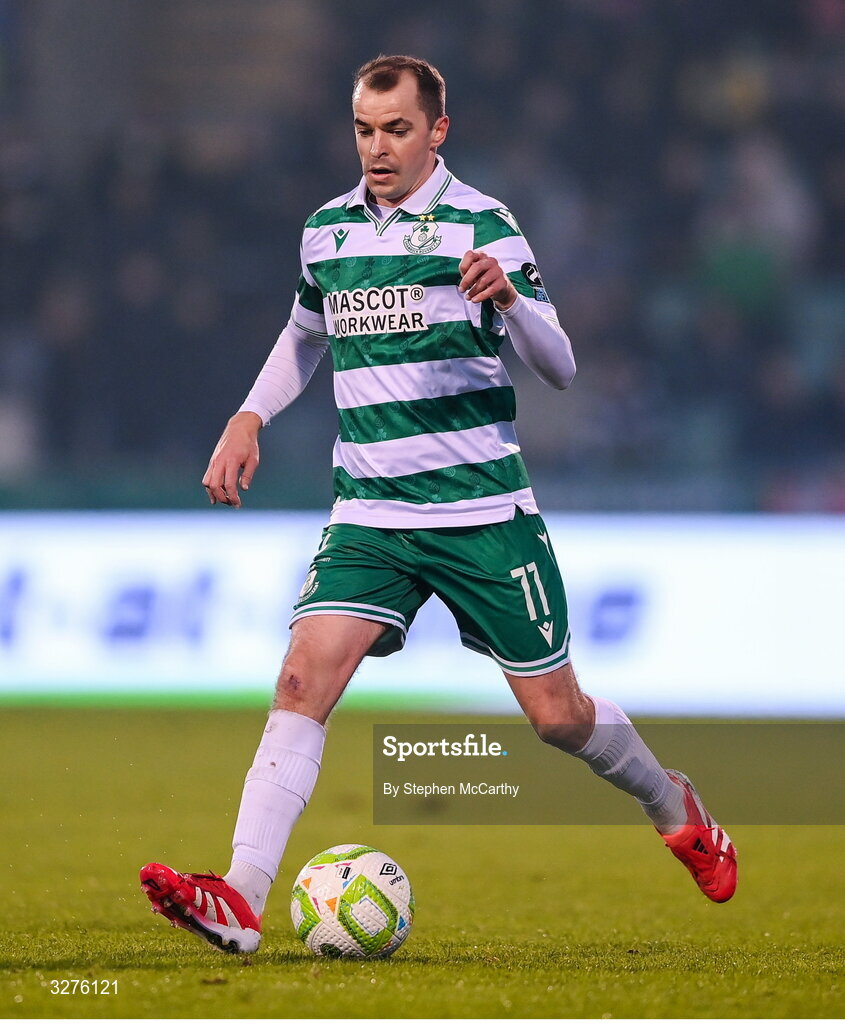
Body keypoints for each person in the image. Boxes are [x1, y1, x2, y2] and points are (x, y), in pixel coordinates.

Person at [139, 55, 736, 954]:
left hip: (481, 512)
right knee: (302, 680)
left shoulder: (482, 226)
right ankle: (240, 897)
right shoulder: (326, 231)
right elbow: (303, 337)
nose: (377, 149)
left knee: (558, 718)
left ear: (436, 132)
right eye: (364, 130)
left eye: (397, 130)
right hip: (370, 510)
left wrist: (512, 303)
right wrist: (249, 414)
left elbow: (561, 365)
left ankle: (673, 804)